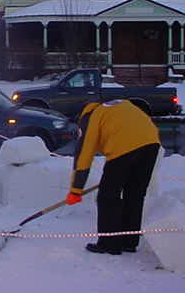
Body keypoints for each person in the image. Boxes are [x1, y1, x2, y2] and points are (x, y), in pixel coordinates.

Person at [65, 99, 160, 255]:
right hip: (152, 143)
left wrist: (75, 190)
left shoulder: (91, 117)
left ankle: (109, 244)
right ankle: (129, 241)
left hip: (123, 148)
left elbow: (84, 154)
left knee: (108, 196)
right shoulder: (115, 107)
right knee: (135, 194)